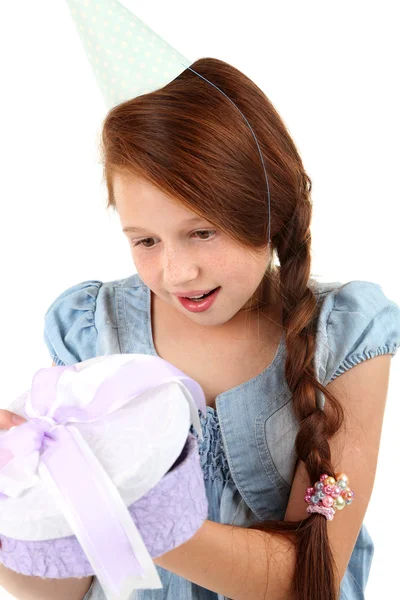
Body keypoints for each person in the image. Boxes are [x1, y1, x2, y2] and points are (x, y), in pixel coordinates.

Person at [1, 2, 400, 599]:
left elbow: (304, 581)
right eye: (145, 240)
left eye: (202, 231)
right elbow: (60, 588)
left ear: (266, 209)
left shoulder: (345, 334)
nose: (176, 270)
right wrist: (25, 504)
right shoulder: (91, 329)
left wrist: (119, 505)